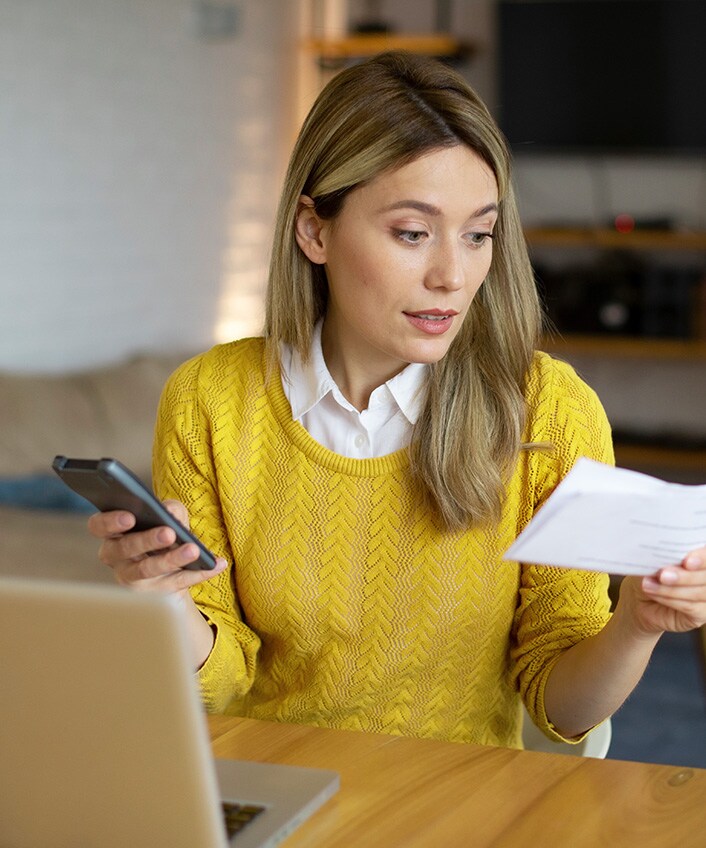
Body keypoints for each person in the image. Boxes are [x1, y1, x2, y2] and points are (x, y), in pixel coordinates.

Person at [89, 51, 706, 750]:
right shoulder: (209, 400)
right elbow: (224, 678)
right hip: (270, 789)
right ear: (314, 229)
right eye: (413, 233)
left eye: (478, 235)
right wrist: (170, 605)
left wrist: (637, 625)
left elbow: (559, 707)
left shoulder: (549, 412)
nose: (453, 275)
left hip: (455, 806)